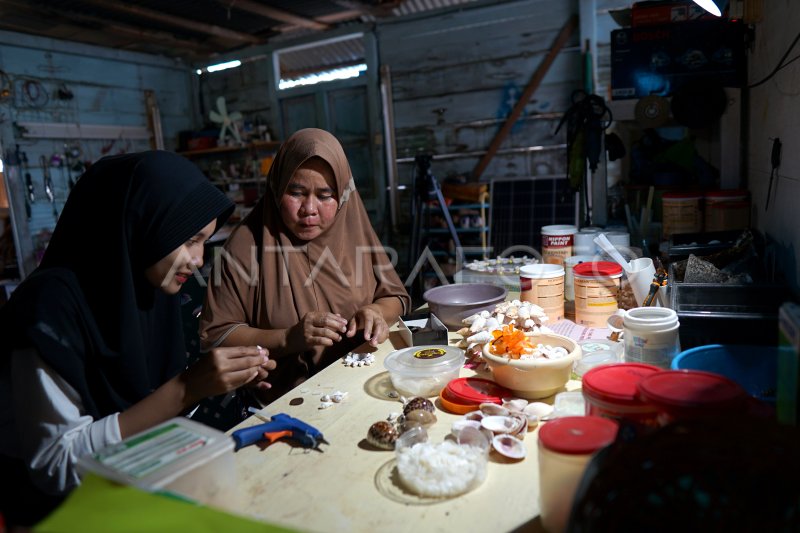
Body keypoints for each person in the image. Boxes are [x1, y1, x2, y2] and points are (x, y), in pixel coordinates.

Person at [0, 151, 276, 527]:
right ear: (141, 224)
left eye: (205, 242)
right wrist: (188, 388)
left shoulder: (148, 290)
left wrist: (217, 385)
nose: (198, 259)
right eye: (190, 240)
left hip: (136, 492)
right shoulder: (48, 309)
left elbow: (153, 410)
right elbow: (55, 466)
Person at [200, 128, 410, 403]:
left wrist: (376, 312)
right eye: (296, 192)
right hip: (286, 402)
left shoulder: (353, 229)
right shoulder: (246, 245)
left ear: (343, 195)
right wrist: (288, 338)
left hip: (366, 386)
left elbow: (395, 297)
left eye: (325, 195)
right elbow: (217, 336)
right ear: (277, 187)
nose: (309, 209)